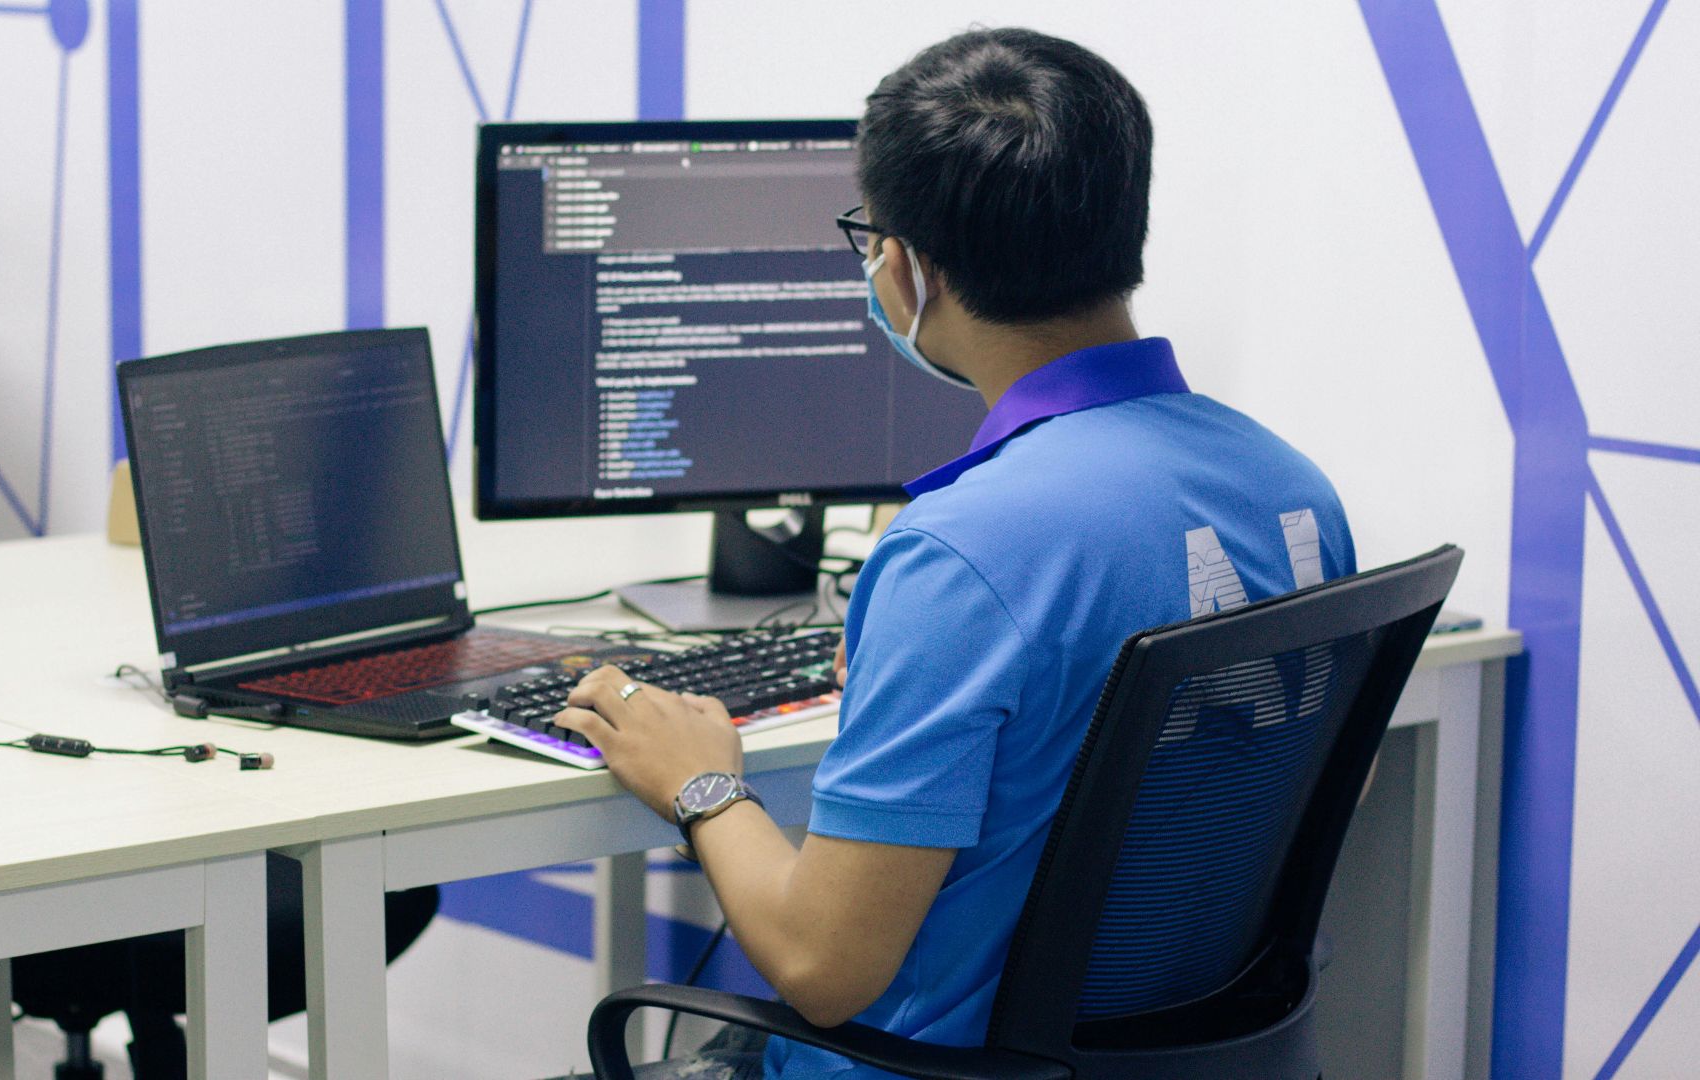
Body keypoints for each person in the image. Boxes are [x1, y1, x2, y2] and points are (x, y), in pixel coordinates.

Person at [550, 26, 1355, 1080]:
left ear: (910, 266)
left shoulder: (964, 556)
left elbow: (822, 969)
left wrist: (702, 785)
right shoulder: (1295, 491)